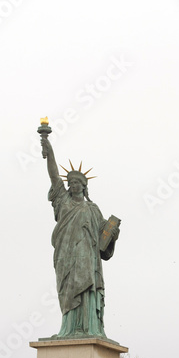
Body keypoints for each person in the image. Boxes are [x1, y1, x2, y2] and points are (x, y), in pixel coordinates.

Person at [40, 125, 119, 339]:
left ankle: (89, 328)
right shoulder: (63, 201)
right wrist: (49, 149)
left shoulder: (93, 210)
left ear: (84, 186)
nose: (73, 185)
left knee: (86, 290)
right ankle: (69, 328)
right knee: (67, 291)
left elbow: (104, 239)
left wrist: (113, 232)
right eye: (70, 182)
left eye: (77, 182)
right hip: (66, 257)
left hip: (87, 260)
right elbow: (54, 175)